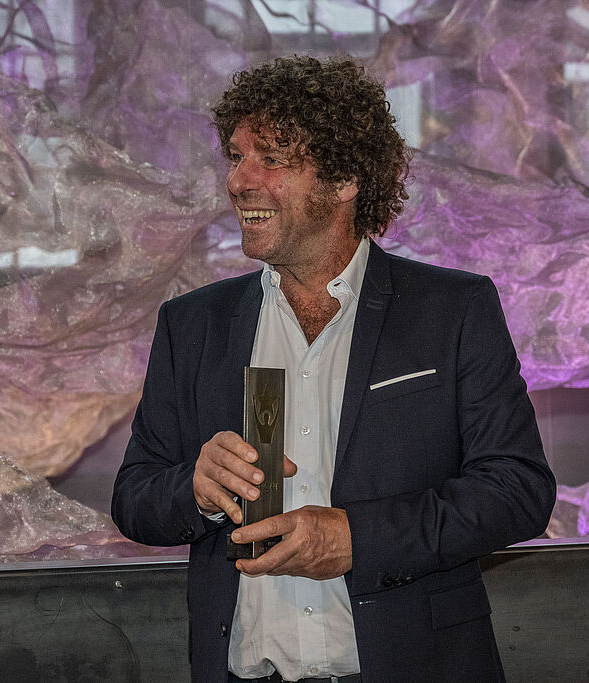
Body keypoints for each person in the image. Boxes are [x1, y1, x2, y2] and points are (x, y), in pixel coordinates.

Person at [111, 55, 556, 682]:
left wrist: (357, 539)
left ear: (345, 178)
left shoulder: (452, 310)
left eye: (271, 158)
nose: (238, 181)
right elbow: (135, 497)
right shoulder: (193, 325)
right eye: (235, 157)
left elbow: (517, 489)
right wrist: (197, 489)